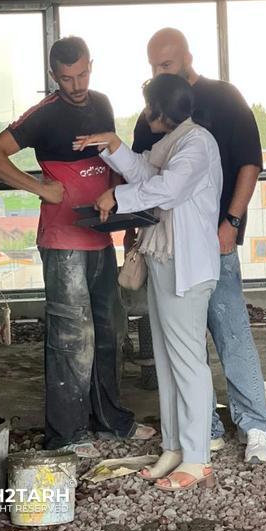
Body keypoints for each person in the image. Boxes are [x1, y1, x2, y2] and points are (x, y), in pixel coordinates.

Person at [0, 36, 154, 457]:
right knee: (71, 336)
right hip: (63, 242)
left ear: (91, 65)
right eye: (66, 78)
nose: (76, 85)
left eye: (82, 74)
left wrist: (127, 216)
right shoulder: (44, 115)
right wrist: (40, 187)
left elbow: (111, 162)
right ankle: (68, 434)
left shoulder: (102, 103)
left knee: (110, 329)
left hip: (100, 234)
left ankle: (110, 420)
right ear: (52, 75)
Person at [131, 28, 266, 464]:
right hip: (170, 248)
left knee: (231, 330)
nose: (159, 71)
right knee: (184, 345)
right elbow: (141, 177)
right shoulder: (153, 112)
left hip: (216, 238)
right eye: (153, 65)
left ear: (188, 57)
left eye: (166, 64)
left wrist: (231, 222)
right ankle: (204, 429)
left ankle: (256, 425)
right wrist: (132, 236)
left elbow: (249, 163)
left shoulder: (224, 98)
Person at [74, 74, 222, 491]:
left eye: (148, 106)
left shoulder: (198, 143)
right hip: (165, 262)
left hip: (188, 268)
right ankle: (174, 447)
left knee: (187, 362)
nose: (145, 113)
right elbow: (146, 173)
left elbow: (168, 189)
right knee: (167, 359)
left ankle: (197, 457)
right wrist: (114, 146)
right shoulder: (173, 142)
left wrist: (115, 197)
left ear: (160, 110)